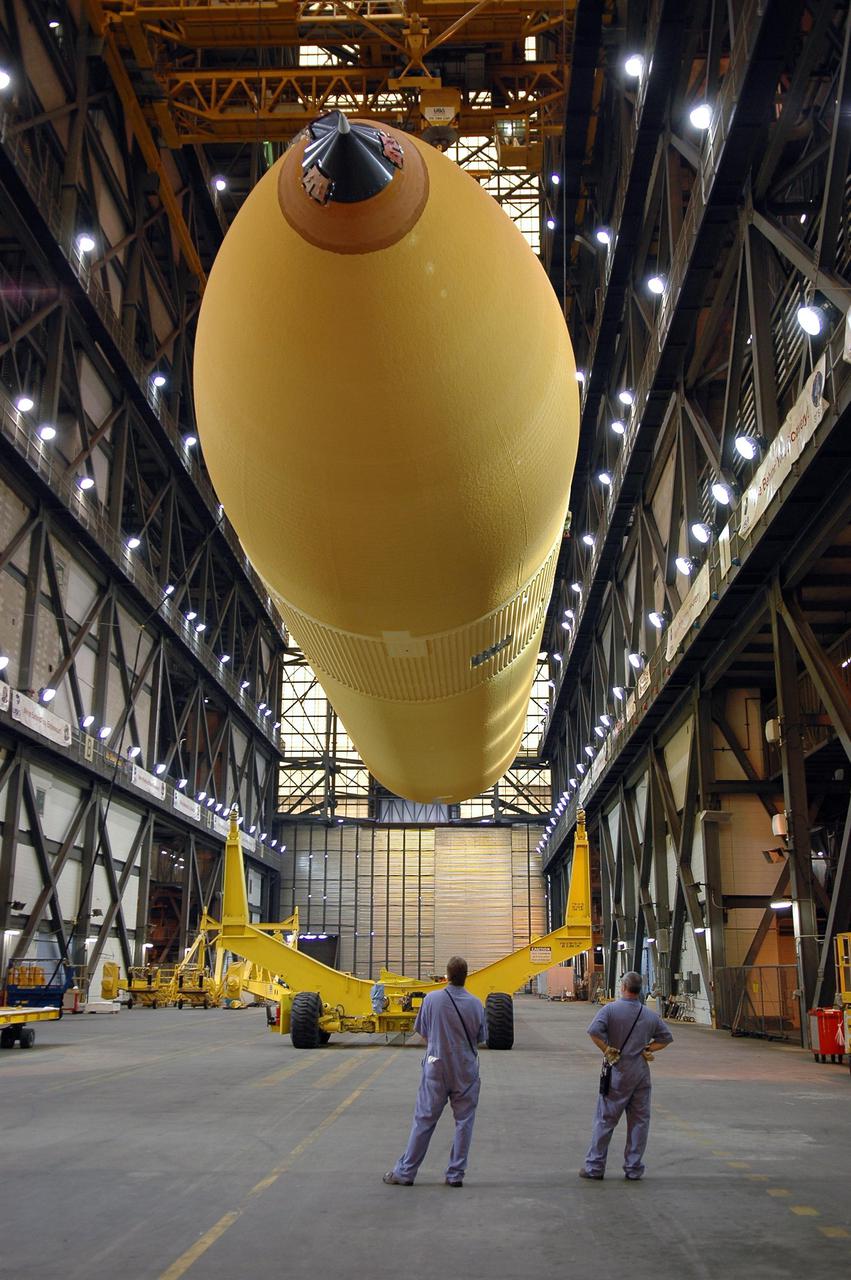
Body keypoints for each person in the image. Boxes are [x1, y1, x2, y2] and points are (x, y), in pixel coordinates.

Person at [383, 955, 487, 1188]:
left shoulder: (432, 999)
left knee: (424, 1120)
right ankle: (455, 1175)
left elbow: (422, 1031)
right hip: (466, 1071)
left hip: (436, 1067)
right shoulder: (475, 1004)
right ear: (466, 976)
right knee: (464, 1122)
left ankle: (406, 1172)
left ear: (447, 976)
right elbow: (481, 1038)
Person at [579, 970, 673, 1181]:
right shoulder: (649, 1015)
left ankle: (595, 1167)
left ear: (622, 987)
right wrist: (648, 1048)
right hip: (640, 1073)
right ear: (640, 990)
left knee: (605, 1120)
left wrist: (607, 1049)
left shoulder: (610, 1010)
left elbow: (594, 1031)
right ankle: (633, 1168)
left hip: (617, 1072)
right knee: (639, 1121)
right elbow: (666, 1038)